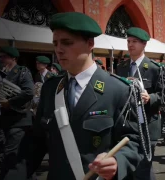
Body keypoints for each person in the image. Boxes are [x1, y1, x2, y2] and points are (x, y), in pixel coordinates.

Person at [33, 12, 142, 180]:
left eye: (67, 43)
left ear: (90, 43)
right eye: (55, 43)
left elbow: (135, 140)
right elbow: (36, 141)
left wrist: (117, 161)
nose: (58, 50)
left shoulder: (118, 89)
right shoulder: (51, 88)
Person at [116, 27, 162, 180]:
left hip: (147, 124)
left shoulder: (155, 69)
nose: (130, 44)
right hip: (126, 125)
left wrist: (151, 98)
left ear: (144, 45)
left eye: (134, 42)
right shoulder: (121, 67)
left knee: (144, 167)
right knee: (129, 168)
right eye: (128, 41)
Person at [0, 46, 34, 180]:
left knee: (11, 156)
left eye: (4, 56)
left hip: (19, 121)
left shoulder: (22, 71)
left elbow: (29, 92)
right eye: (0, 56)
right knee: (18, 157)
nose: (0, 59)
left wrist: (10, 102)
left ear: (13, 58)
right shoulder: (2, 74)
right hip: (8, 121)